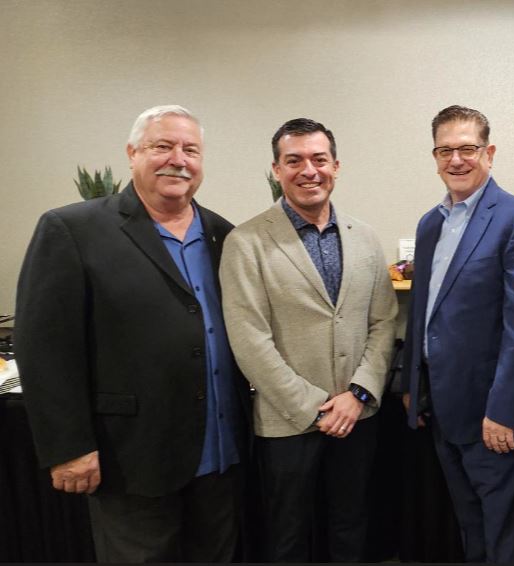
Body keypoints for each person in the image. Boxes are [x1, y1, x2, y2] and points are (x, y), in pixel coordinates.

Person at [15, 105, 250, 562]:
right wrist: (69, 447)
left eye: (190, 150)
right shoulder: (74, 229)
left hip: (222, 455)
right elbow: (44, 347)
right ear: (132, 153)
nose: (178, 159)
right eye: (162, 146)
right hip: (132, 458)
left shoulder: (224, 235)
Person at [220, 118, 397, 562]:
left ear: (336, 166)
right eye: (294, 160)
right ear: (277, 170)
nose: (308, 170)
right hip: (288, 421)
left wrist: (358, 394)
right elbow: (249, 338)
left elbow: (383, 322)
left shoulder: (365, 237)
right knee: (288, 537)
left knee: (350, 526)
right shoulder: (246, 242)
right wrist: (314, 407)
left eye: (319, 159)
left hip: (356, 416)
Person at [401, 105, 514, 563]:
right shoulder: (430, 224)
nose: (456, 160)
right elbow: (421, 310)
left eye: (467, 149)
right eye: (445, 150)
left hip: (492, 413)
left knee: (503, 533)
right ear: (434, 157)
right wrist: (412, 384)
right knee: (469, 523)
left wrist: (503, 411)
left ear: (489, 153)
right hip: (443, 407)